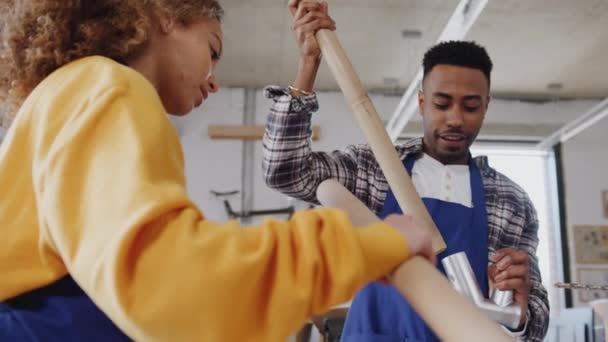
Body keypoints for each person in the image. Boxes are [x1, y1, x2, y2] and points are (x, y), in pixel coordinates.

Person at [0, 1, 436, 341]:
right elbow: (178, 291)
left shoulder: (67, 98)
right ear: (167, 16)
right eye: (213, 50)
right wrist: (369, 244)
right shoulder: (106, 84)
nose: (214, 81)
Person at [262, 1, 550, 341]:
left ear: (486, 106)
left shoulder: (511, 200)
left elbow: (536, 319)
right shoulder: (376, 168)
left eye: (471, 106)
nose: (455, 118)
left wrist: (518, 312)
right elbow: (284, 170)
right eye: (442, 104)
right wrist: (309, 63)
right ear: (422, 102)